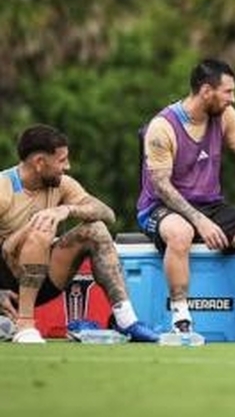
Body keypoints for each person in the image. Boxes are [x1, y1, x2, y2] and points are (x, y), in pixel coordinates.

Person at [136, 58, 235, 341]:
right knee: (181, 232)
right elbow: (161, 187)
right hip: (161, 207)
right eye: (228, 92)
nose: (233, 99)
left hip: (210, 205)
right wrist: (199, 221)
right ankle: (181, 320)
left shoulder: (225, 117)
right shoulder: (162, 127)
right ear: (206, 91)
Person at [0, 124, 158, 343]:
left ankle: (126, 321)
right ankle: (25, 326)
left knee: (96, 229)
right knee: (39, 230)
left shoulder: (62, 185)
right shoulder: (4, 189)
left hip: (45, 280)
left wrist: (66, 209)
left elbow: (107, 213)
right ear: (39, 163)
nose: (68, 166)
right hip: (7, 286)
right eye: (62, 160)